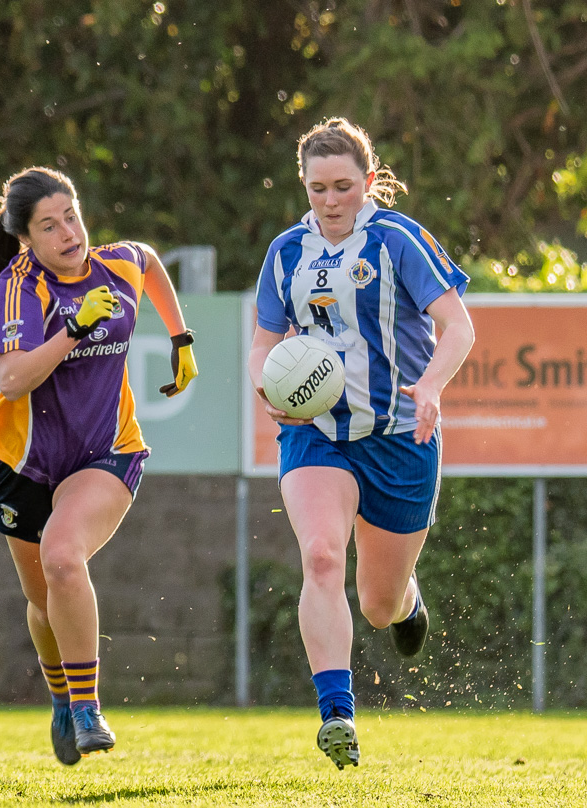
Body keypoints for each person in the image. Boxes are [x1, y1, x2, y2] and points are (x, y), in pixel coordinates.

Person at [247, 117, 475, 770]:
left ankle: (408, 599)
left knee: (378, 604)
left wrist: (430, 387)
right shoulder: (286, 252)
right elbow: (265, 341)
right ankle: (337, 714)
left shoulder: (399, 239)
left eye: (343, 185)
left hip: (402, 436)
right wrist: (266, 386)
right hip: (318, 435)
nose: (329, 200)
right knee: (321, 556)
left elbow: (457, 327)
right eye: (317, 187)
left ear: (368, 181)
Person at [0, 166, 198, 765]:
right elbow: (14, 378)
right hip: (27, 462)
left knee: (63, 558)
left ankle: (88, 708)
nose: (69, 232)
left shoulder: (114, 264)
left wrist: (181, 340)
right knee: (44, 600)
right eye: (50, 226)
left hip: (107, 450)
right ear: (26, 238)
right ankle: (61, 699)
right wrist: (74, 327)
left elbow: (149, 261)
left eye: (71, 215)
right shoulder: (18, 289)